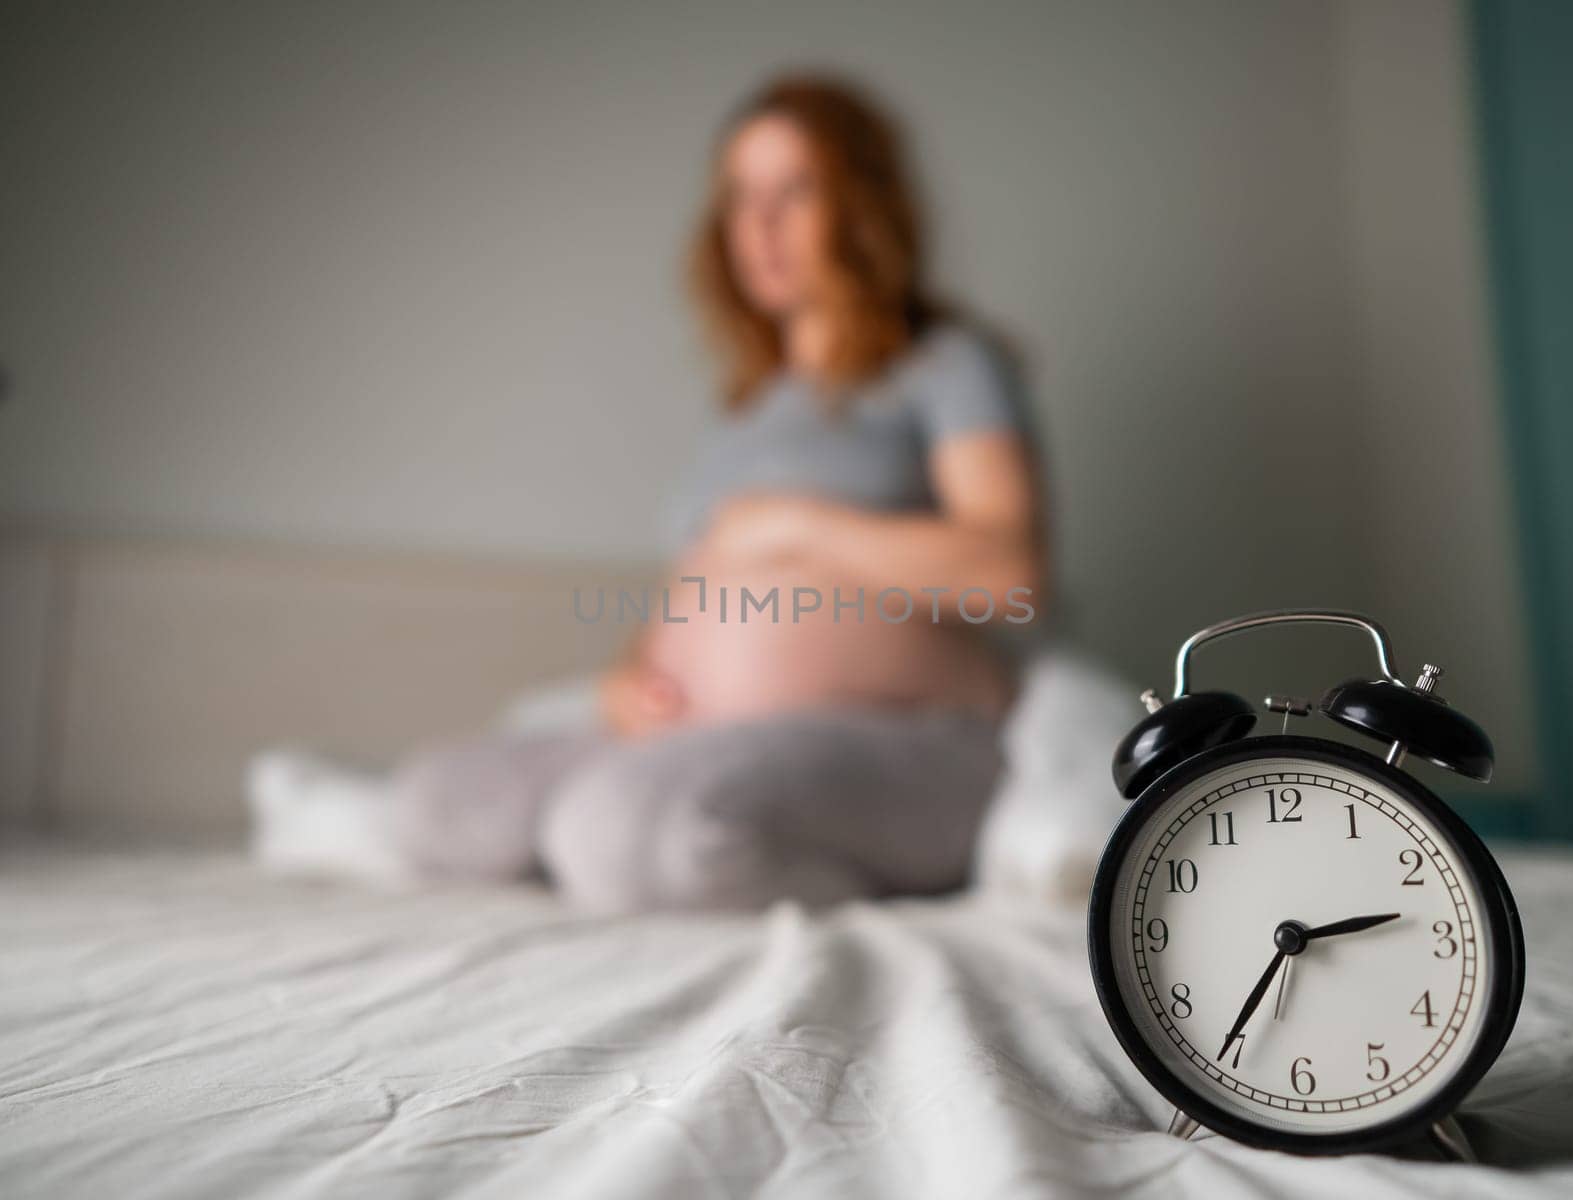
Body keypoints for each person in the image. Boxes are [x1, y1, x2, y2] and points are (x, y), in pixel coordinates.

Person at [250, 74, 1046, 912]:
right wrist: (634, 680)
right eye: (741, 197)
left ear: (863, 206)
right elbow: (695, 591)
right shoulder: (746, 407)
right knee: (439, 802)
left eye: (795, 191)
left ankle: (858, 880)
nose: (760, 225)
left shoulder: (948, 365)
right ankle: (660, 843)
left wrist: (793, 527)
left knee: (621, 832)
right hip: (704, 733)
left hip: (913, 739)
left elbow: (1011, 575)